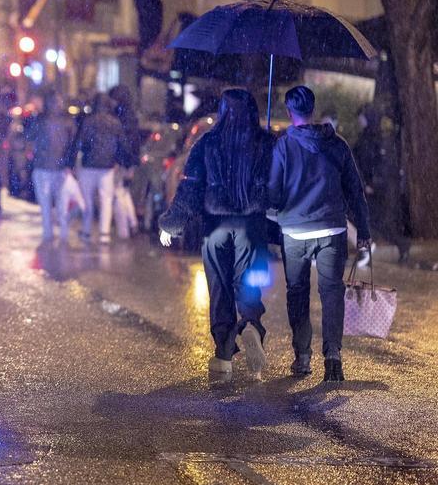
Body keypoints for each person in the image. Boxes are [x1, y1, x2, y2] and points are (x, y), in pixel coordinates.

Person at [159, 89, 275, 378]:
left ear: (223, 112)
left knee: (220, 288)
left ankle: (223, 355)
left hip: (215, 229)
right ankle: (250, 325)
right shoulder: (266, 143)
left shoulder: (207, 143)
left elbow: (191, 188)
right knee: (248, 283)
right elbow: (279, 188)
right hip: (251, 227)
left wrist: (171, 224)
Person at [269, 85, 371, 382]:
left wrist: (274, 203)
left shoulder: (283, 146)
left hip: (295, 231)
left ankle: (302, 356)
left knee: (297, 292)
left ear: (290, 113)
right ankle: (333, 356)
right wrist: (363, 229)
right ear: (313, 110)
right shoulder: (336, 144)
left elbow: (274, 192)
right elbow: (354, 189)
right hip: (332, 230)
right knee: (331, 292)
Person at [352, 105, 411, 264]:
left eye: (362, 116)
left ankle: (399, 245)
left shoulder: (375, 139)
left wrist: (371, 183)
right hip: (370, 188)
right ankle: (367, 251)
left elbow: (378, 164)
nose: (360, 120)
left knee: (374, 223)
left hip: (376, 189)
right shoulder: (368, 137)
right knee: (370, 222)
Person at [74, 93, 126, 243]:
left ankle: (86, 230)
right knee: (106, 200)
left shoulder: (88, 121)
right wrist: (122, 161)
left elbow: (80, 142)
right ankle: (104, 234)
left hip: (88, 166)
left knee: (87, 201)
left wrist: (72, 161)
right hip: (107, 167)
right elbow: (121, 144)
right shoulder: (115, 123)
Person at [30, 92, 78, 243]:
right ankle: (63, 235)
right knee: (62, 205)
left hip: (42, 167)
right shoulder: (68, 122)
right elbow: (73, 146)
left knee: (45, 205)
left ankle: (48, 235)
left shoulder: (39, 121)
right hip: (60, 168)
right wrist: (69, 164)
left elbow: (30, 139)